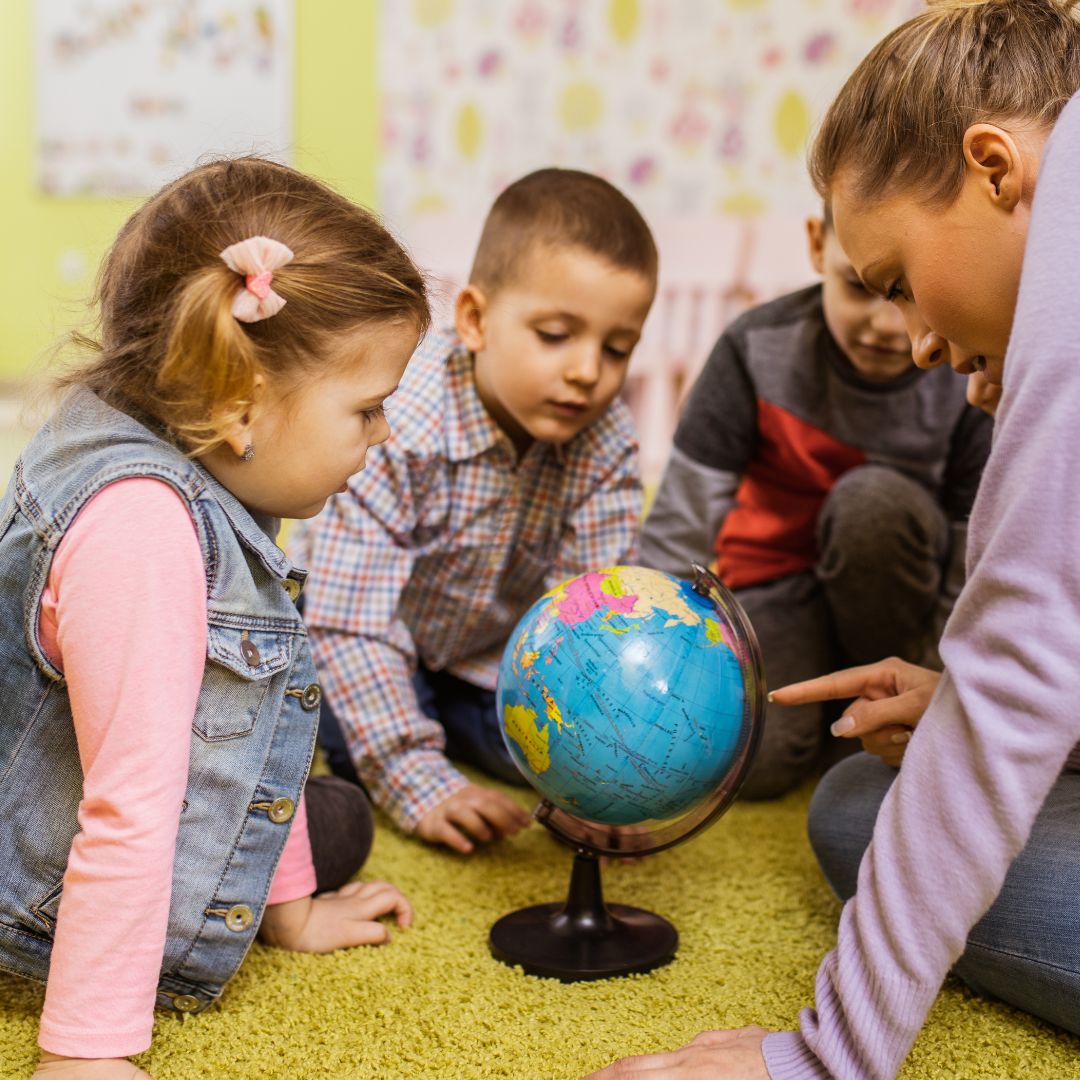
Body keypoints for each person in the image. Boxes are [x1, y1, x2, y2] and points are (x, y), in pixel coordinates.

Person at [588, 1, 1080, 1077]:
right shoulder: (758, 346)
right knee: (860, 800)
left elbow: (1025, 653)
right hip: (778, 607)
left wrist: (821, 1060)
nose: (918, 339)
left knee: (876, 815)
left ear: (996, 168)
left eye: (900, 280)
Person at [2, 157, 429, 1079]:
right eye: (368, 408)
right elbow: (130, 802)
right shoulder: (143, 531)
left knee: (334, 819)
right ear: (240, 407)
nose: (383, 434)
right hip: (41, 867)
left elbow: (259, 716)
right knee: (282, 816)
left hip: (81, 786)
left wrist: (293, 911)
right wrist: (87, 1051)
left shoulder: (208, 467)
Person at [292, 168, 657, 855]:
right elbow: (349, 623)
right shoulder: (399, 424)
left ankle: (448, 730)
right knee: (321, 714)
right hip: (359, 636)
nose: (587, 371)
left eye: (616, 349)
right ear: (475, 320)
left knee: (568, 739)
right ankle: (413, 743)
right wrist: (415, 778)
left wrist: (589, 778)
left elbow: (587, 627)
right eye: (555, 334)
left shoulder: (607, 442)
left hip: (483, 659)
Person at [639, 211, 991, 799]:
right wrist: (650, 654)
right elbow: (683, 521)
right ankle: (833, 718)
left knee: (870, 503)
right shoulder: (753, 345)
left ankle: (865, 703)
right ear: (816, 244)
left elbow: (970, 555)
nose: (884, 325)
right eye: (858, 288)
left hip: (895, 595)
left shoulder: (968, 369)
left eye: (909, 296)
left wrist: (938, 688)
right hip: (776, 586)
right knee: (752, 767)